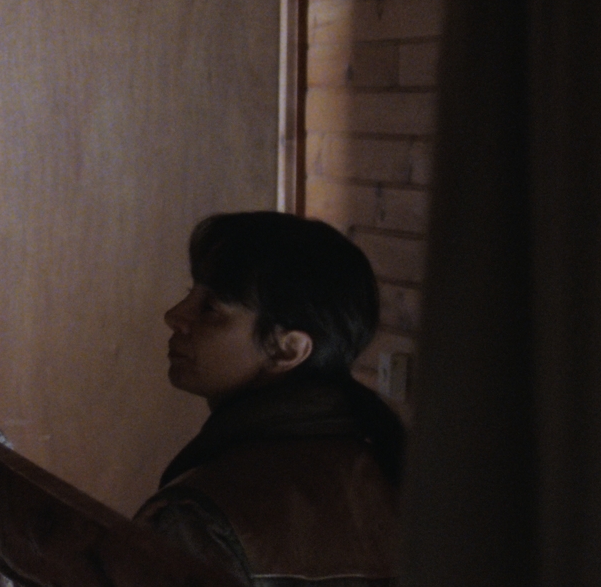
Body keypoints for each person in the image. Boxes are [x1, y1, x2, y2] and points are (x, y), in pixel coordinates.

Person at [137, 212, 405, 586]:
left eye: (210, 307)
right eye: (190, 294)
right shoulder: (393, 468)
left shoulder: (199, 517)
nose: (174, 316)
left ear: (287, 349)